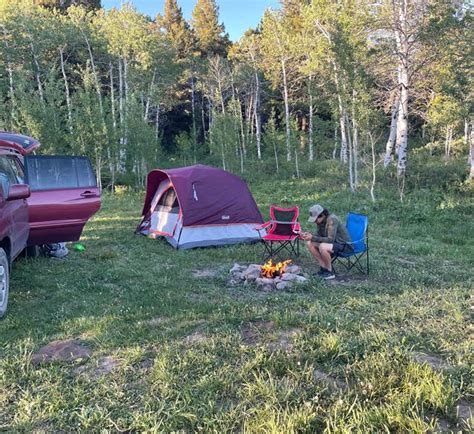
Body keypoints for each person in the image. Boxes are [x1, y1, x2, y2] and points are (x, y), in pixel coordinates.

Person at [299, 204, 353, 280]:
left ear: (322, 215)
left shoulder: (332, 219)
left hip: (345, 245)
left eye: (315, 219)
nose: (315, 222)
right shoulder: (320, 222)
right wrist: (309, 235)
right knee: (309, 243)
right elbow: (318, 235)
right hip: (333, 244)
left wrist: (313, 237)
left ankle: (329, 272)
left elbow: (331, 239)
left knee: (323, 246)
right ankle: (323, 268)